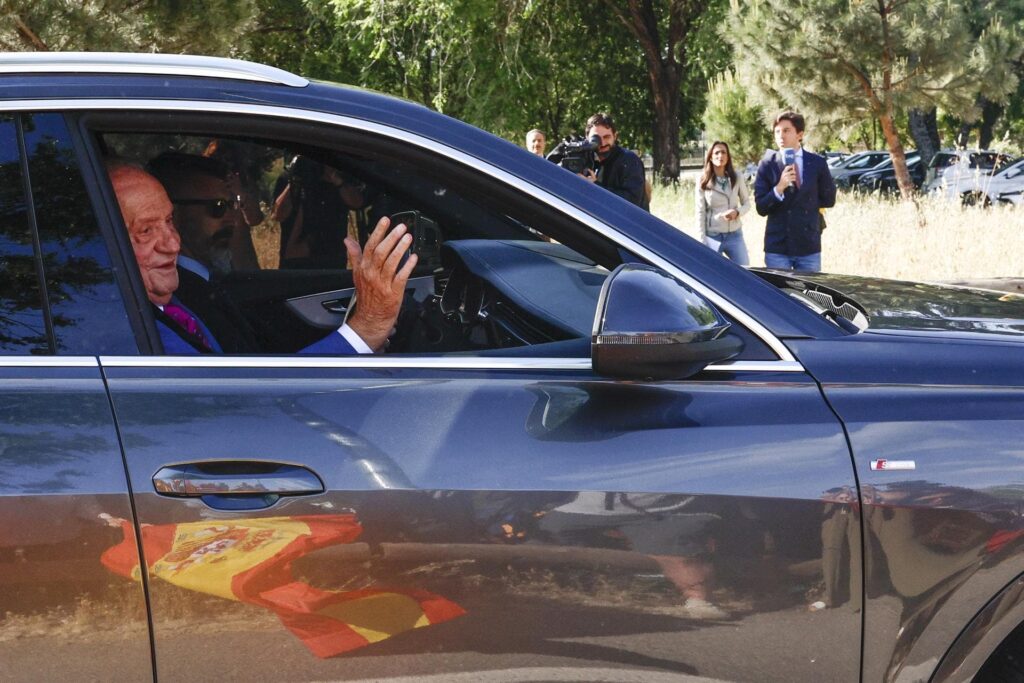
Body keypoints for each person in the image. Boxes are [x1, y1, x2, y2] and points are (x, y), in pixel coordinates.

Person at [107, 161, 415, 355]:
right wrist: (365, 331)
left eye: (169, 221)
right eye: (145, 231)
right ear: (105, 240)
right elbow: (248, 410)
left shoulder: (173, 298)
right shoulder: (129, 333)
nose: (173, 244)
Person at [754, 111, 836, 272]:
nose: (781, 136)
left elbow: (829, 199)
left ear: (800, 134)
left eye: (786, 130)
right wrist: (779, 188)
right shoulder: (767, 164)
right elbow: (761, 207)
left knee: (809, 288)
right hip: (778, 246)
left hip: (808, 245)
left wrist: (808, 203)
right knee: (778, 289)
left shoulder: (817, 163)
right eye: (777, 131)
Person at [695, 141, 751, 265]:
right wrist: (702, 240)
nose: (720, 156)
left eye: (723, 152)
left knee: (745, 270)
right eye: (716, 153)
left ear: (728, 156)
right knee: (713, 272)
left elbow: (747, 203)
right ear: (710, 157)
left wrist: (737, 212)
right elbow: (700, 212)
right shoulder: (703, 179)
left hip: (735, 235)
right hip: (713, 236)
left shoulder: (737, 177)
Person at [580, 113, 647, 209]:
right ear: (587, 138)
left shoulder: (629, 160)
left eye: (607, 137)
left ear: (615, 136)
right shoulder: (586, 159)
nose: (602, 143)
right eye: (596, 139)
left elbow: (632, 201)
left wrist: (594, 187)